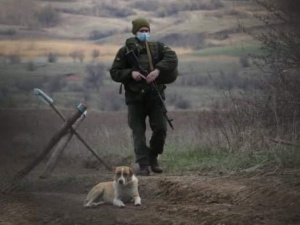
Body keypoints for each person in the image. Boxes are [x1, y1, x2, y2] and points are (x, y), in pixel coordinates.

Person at [110, 18, 178, 176]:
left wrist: (158, 70)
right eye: (142, 31)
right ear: (135, 32)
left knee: (161, 128)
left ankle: (153, 158)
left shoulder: (158, 47)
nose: (145, 33)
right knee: (138, 132)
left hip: (155, 97)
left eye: (147, 31)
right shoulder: (125, 51)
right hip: (135, 99)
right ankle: (143, 164)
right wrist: (130, 74)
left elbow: (172, 58)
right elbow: (114, 72)